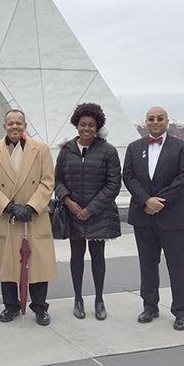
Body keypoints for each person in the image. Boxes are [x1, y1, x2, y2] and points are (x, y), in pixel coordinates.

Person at [0, 109, 57, 325]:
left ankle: (40, 308)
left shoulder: (40, 149)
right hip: (7, 217)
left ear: (25, 125)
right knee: (8, 265)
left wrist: (32, 207)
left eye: (19, 123)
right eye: (10, 123)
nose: (14, 126)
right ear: (4, 126)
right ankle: (11, 306)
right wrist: (10, 206)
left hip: (35, 217)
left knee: (38, 265)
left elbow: (47, 181)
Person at [123, 106, 184, 331]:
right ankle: (150, 305)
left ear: (166, 121)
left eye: (159, 119)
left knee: (178, 265)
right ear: (146, 122)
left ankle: (181, 311)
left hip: (172, 216)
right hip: (143, 216)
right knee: (147, 264)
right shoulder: (134, 148)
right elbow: (128, 176)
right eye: (151, 119)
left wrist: (158, 202)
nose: (155, 122)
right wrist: (146, 201)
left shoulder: (182, 148)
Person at [54, 103, 121, 321]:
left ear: (97, 126)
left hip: (98, 215)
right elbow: (58, 181)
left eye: (91, 125)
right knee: (76, 257)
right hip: (73, 213)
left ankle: (99, 299)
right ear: (76, 125)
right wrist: (69, 202)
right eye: (83, 124)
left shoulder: (108, 151)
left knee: (98, 257)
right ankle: (78, 299)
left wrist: (91, 209)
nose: (86, 129)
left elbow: (113, 184)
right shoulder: (66, 151)